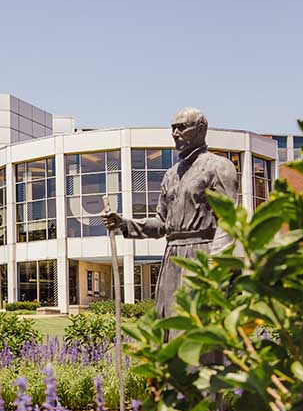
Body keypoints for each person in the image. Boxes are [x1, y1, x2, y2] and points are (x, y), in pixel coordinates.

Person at [102, 107, 239, 327]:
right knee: (168, 324)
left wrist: (216, 263)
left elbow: (229, 219)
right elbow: (162, 224)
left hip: (203, 255)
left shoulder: (219, 167)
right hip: (172, 258)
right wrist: (125, 224)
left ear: (202, 129)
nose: (175, 133)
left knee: (197, 327)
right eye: (173, 128)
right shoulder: (171, 174)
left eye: (182, 127)